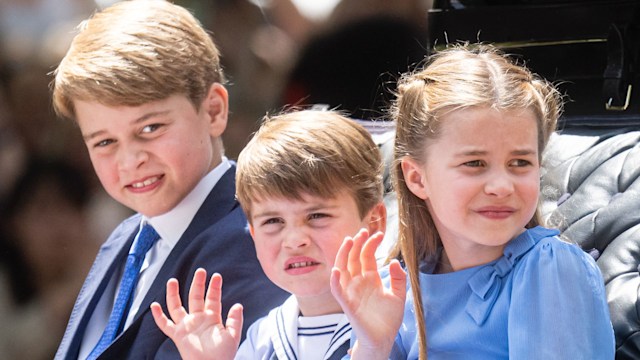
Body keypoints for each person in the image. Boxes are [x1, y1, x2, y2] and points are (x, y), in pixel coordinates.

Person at [330, 44, 616, 359]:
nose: (501, 186)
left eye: (520, 163)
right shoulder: (395, 288)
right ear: (416, 177)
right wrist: (373, 345)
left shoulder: (548, 269)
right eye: (475, 164)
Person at [50, 1, 288, 359]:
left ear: (213, 111)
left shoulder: (258, 240)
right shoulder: (126, 239)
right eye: (104, 142)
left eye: (150, 128)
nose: (130, 160)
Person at [149, 109, 406, 359]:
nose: (295, 240)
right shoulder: (262, 338)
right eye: (273, 221)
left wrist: (374, 349)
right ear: (252, 234)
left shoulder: (407, 316)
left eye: (317, 216)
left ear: (373, 222)